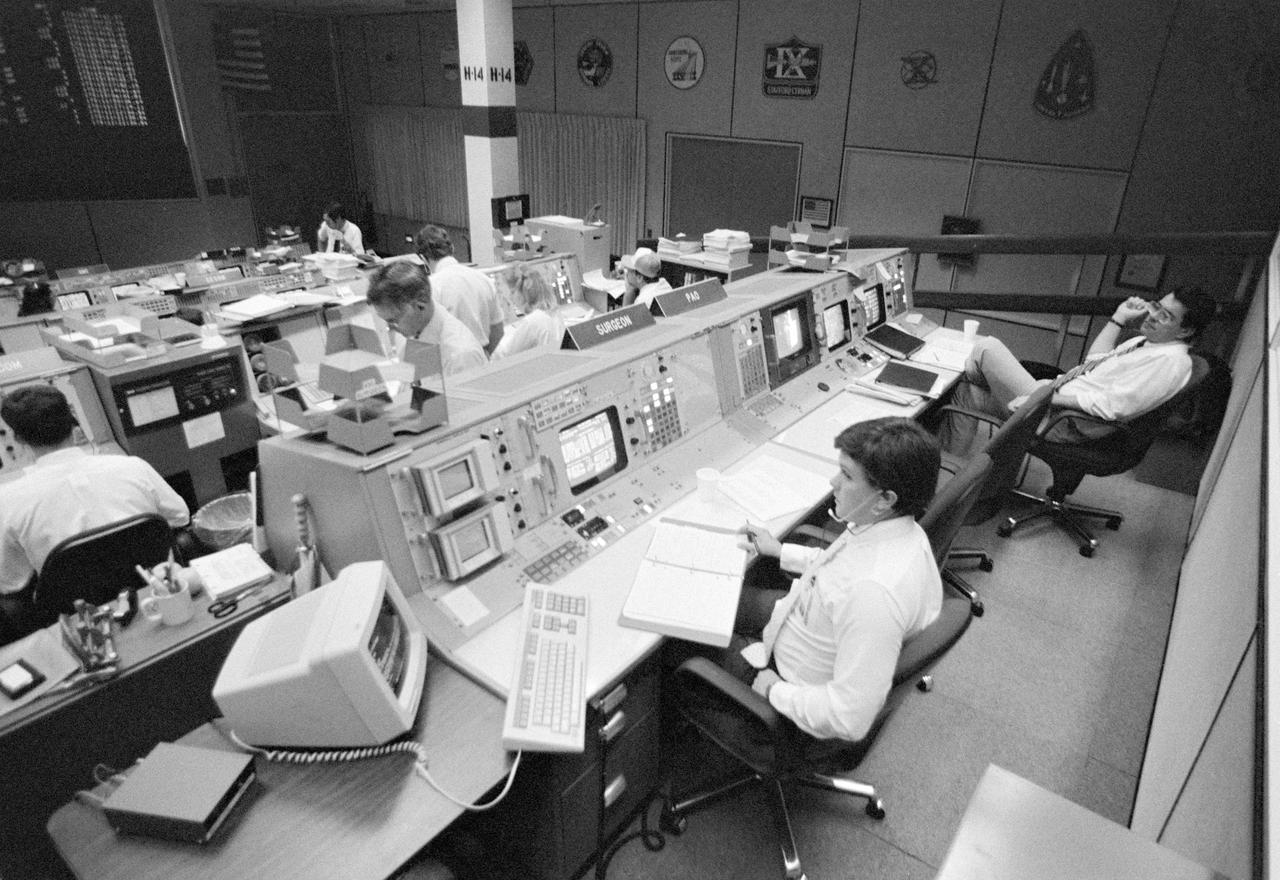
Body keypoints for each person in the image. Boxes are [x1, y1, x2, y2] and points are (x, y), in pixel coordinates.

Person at [729, 417, 942, 742]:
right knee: (724, 596)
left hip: (789, 687)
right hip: (802, 623)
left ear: (885, 499)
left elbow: (849, 718)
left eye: (846, 476)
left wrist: (774, 690)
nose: (833, 482)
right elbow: (839, 567)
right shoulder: (899, 531)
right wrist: (779, 550)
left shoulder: (874, 594)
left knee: (678, 639)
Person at [946, 285, 1217, 449]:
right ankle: (951, 481)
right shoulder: (1146, 343)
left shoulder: (1170, 362)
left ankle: (943, 384)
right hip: (1055, 402)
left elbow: (1112, 407)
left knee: (987, 347)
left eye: (1166, 316)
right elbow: (1093, 363)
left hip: (1062, 421)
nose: (1153, 316)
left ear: (1185, 330)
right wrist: (1119, 318)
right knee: (967, 392)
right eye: (1156, 307)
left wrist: (1047, 395)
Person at [0, 385, 189, 599]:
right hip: (153, 590)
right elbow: (181, 516)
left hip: (76, 615)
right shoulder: (132, 467)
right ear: (73, 422)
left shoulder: (7, 500)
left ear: (18, 439)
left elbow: (12, 582)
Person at [366, 261, 487, 376]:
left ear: (421, 304)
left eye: (394, 320)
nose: (390, 328)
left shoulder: (459, 355)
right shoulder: (417, 331)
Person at [415, 225, 504, 355]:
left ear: (423, 258)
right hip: (482, 356)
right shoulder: (483, 279)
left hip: (450, 361)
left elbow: (427, 339)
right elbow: (498, 330)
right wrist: (484, 355)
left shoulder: (430, 287)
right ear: (452, 248)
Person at [490, 264, 566, 361]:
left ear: (523, 291)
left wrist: (490, 338)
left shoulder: (533, 321)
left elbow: (505, 355)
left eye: (512, 293)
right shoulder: (554, 313)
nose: (511, 299)